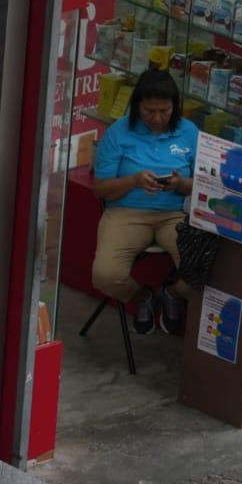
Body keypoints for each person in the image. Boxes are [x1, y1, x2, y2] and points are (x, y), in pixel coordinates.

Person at [91, 68, 200, 336]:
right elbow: (101, 189)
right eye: (150, 111)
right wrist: (134, 181)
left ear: (175, 107)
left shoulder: (189, 132)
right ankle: (144, 298)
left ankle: (171, 294)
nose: (157, 118)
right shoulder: (118, 132)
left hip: (175, 213)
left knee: (201, 272)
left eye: (164, 111)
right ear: (137, 105)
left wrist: (182, 184)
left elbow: (208, 186)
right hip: (126, 213)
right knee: (105, 275)